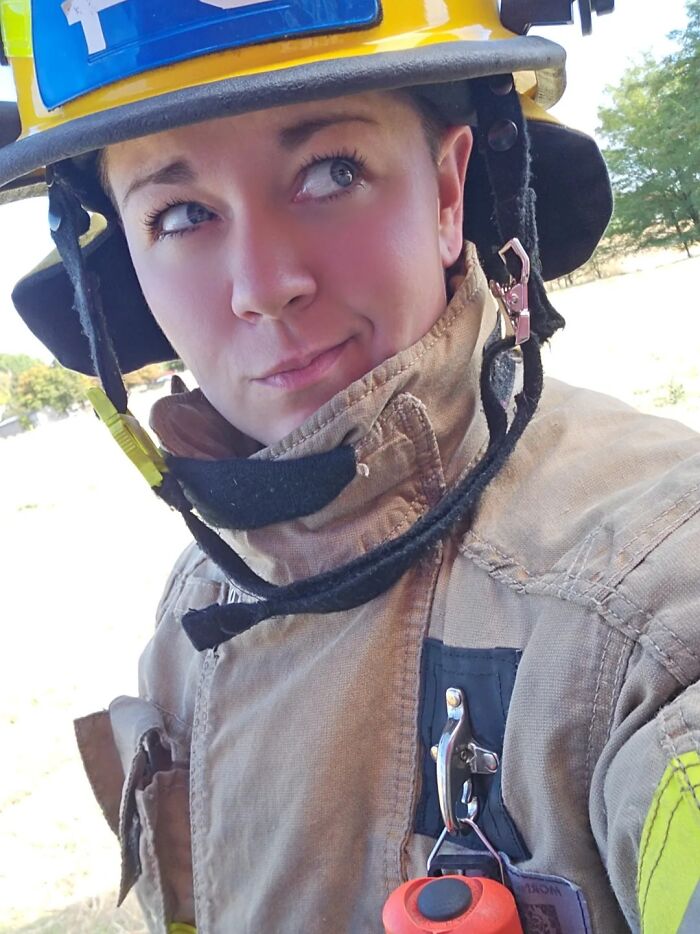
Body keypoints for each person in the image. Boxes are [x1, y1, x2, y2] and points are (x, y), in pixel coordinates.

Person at [1, 3, 699, 932]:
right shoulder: (201, 603)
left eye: (331, 173)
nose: (263, 284)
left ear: (449, 194)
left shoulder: (645, 594)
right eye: (180, 214)